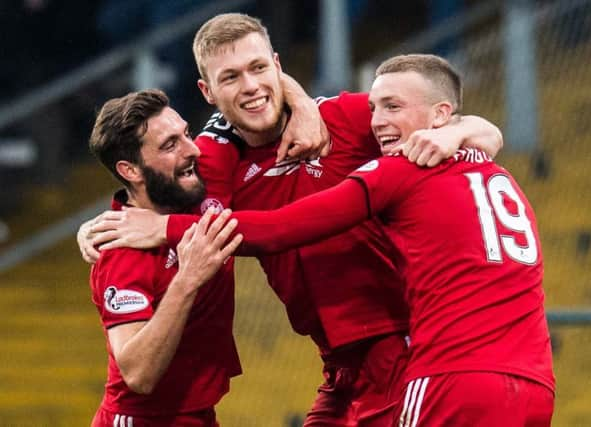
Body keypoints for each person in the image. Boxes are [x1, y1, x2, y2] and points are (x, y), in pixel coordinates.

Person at [79, 13, 504, 426]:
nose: (250, 87)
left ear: (278, 68)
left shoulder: (347, 118)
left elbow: (484, 133)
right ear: (208, 92)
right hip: (340, 368)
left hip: (406, 346)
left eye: (258, 68)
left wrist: (453, 133)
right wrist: (99, 226)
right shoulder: (212, 161)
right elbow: (160, 194)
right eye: (230, 78)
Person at [220, 53, 555, 426]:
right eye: (374, 108)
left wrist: (164, 230)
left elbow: (281, 227)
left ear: (441, 114)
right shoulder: (503, 178)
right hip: (534, 383)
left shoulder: (403, 169)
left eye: (392, 107)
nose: (376, 122)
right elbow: (487, 132)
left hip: (448, 374)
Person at [86, 89, 243, 426]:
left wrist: (302, 106)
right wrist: (188, 279)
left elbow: (245, 101)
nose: (193, 149)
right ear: (131, 170)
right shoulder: (122, 254)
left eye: (186, 133)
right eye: (170, 145)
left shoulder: (201, 183)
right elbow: (138, 374)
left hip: (196, 415)